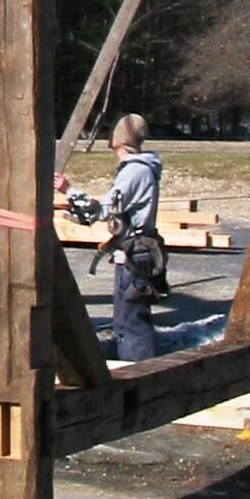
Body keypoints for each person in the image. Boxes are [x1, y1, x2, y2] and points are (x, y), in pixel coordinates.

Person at [102, 112, 163, 361]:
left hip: (134, 257)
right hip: (131, 252)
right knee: (125, 320)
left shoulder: (135, 172)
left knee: (132, 324)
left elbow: (105, 209)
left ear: (120, 137)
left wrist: (69, 191)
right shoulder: (137, 169)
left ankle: (138, 374)